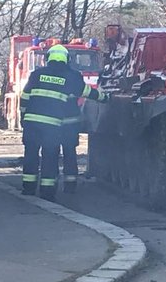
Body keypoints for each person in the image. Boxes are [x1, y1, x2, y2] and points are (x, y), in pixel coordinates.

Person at [20, 45, 107, 200]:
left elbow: (25, 96)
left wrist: (23, 116)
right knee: (49, 155)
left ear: (48, 58)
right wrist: (106, 98)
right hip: (51, 125)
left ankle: (28, 188)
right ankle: (46, 191)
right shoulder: (71, 76)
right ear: (67, 59)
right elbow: (87, 92)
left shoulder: (36, 74)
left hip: (31, 122)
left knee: (31, 154)